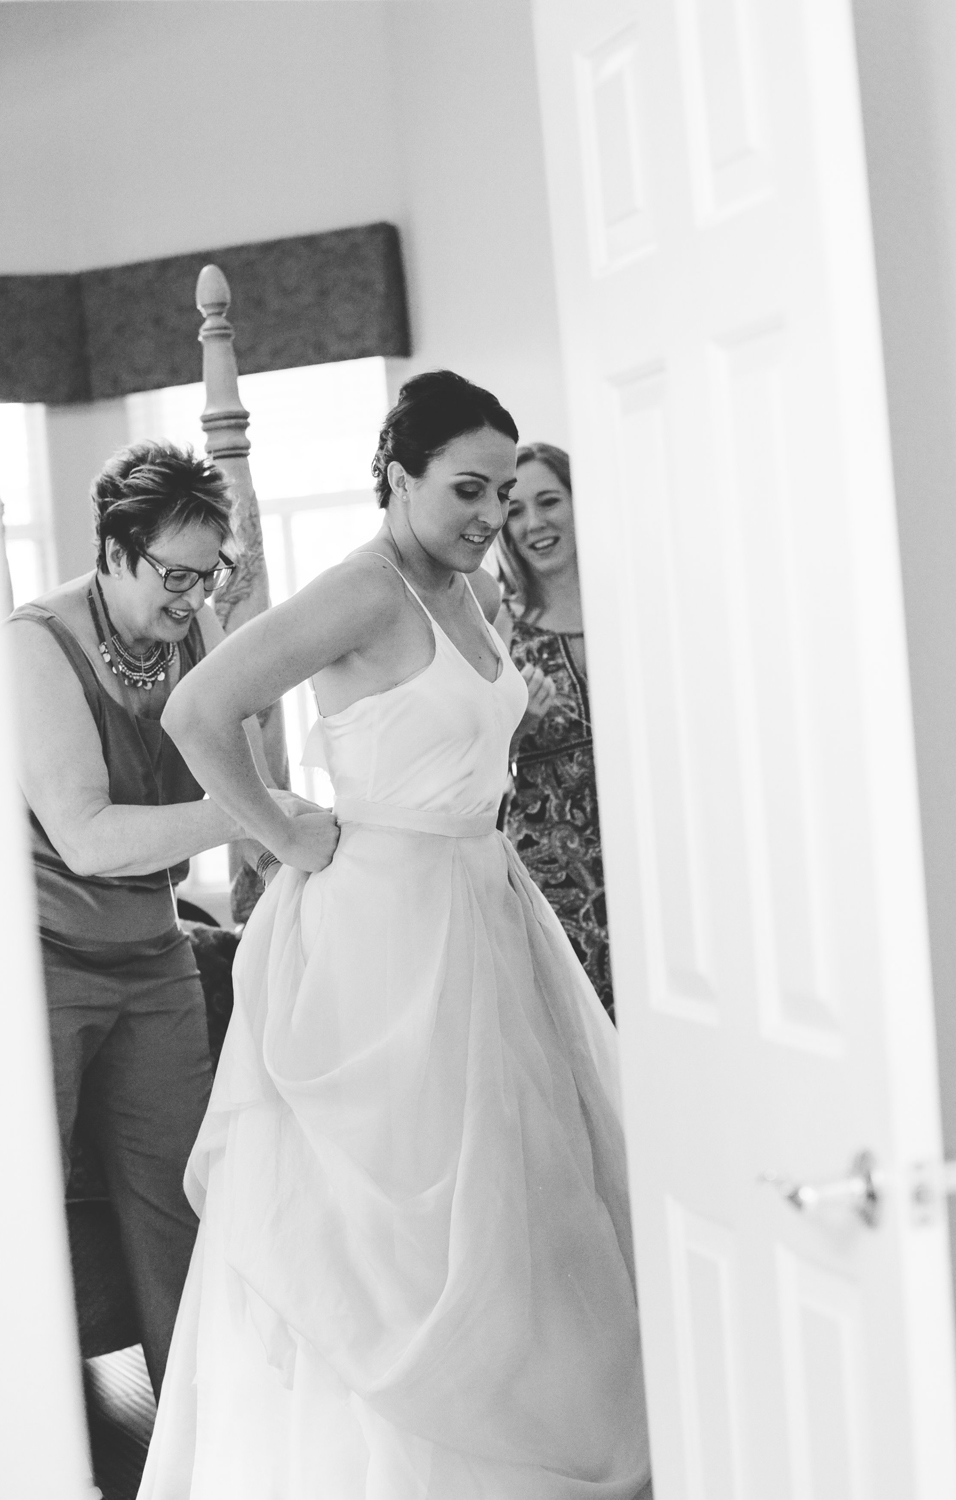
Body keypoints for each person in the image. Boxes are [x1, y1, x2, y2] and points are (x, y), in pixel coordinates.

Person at [138, 372, 651, 1499]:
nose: (492, 514)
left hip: (485, 904)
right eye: (469, 489)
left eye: (504, 492)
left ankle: (536, 1425)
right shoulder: (363, 591)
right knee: (399, 1210)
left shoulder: (470, 591)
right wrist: (281, 827)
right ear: (399, 475)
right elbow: (197, 710)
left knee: (518, 1190)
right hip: (384, 924)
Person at [5, 440, 325, 1397]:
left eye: (207, 573)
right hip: (44, 968)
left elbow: (249, 764)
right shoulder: (35, 645)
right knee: (25, 1211)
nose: (193, 596)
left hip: (154, 957)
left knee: (183, 1204)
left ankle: (196, 1437)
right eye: (175, 576)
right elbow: (89, 836)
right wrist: (254, 814)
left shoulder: (192, 630)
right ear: (114, 550)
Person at [496, 443, 616, 1020]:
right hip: (553, 876)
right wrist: (517, 729)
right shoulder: (500, 626)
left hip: (653, 853)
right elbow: (471, 761)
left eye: (548, 501)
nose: (533, 523)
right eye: (515, 510)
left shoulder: (634, 609)